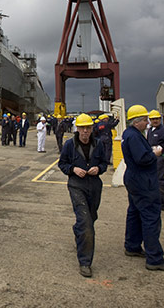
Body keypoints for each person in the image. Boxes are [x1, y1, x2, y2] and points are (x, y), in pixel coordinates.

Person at [122, 104, 164, 271]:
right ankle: (155, 258)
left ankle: (132, 245)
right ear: (137, 121)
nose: (148, 123)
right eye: (145, 120)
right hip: (143, 181)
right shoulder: (135, 136)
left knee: (135, 212)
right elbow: (142, 159)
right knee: (151, 216)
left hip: (134, 179)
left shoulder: (129, 134)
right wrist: (155, 154)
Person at [58, 113, 108, 277]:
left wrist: (99, 169)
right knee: (86, 223)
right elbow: (62, 163)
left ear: (92, 129)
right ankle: (85, 262)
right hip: (76, 185)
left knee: (91, 218)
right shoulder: (69, 145)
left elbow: (104, 163)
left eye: (88, 128)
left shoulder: (99, 144)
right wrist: (73, 169)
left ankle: (78, 231)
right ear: (77, 129)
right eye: (82, 128)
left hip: (94, 185)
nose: (85, 131)